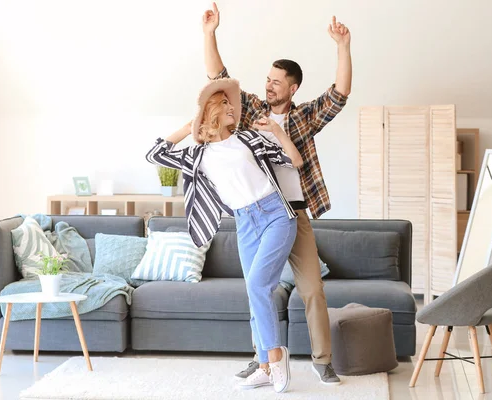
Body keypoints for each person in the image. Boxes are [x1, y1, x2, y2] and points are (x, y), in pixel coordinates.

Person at [202, 3, 352, 386]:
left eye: (276, 81)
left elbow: (339, 95)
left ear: (292, 87)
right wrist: (210, 34)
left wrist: (342, 47)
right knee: (257, 285)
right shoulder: (249, 109)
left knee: (312, 289)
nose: (268, 85)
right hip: (256, 211)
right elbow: (218, 76)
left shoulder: (303, 117)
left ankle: (322, 360)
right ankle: (263, 359)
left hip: (293, 214)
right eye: (267, 79)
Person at [146, 78, 303, 393]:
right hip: (244, 222)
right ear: (211, 111)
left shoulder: (248, 139)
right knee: (255, 292)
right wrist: (189, 127)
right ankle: (262, 366)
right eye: (225, 103)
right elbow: (155, 154)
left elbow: (295, 161)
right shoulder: (198, 155)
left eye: (232, 104)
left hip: (275, 215)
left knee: (258, 285)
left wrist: (278, 132)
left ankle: (275, 357)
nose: (233, 107)